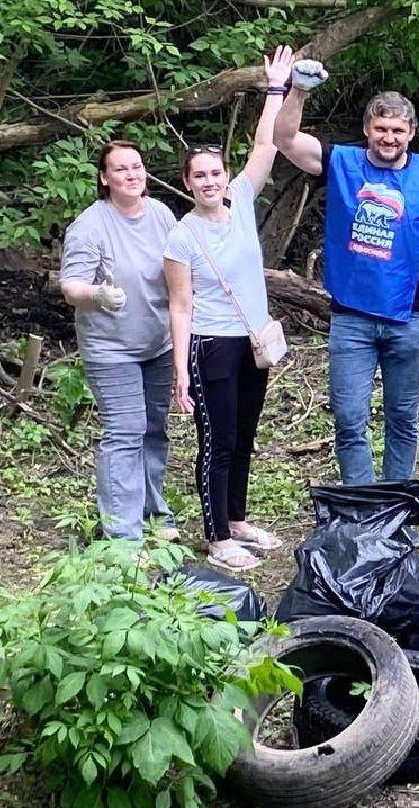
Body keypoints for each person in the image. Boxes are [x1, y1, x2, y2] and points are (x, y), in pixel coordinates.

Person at [272, 78, 419, 486]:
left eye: (398, 130)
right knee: (349, 417)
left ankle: (395, 500)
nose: (389, 137)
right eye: (381, 128)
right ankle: (361, 503)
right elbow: (284, 139)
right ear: (366, 129)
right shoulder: (342, 163)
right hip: (351, 316)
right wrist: (298, 91)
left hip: (408, 317)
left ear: (411, 133)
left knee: (403, 417)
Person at [164, 46, 306, 573]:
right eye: (199, 176)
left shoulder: (242, 200)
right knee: (217, 441)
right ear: (187, 183)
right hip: (212, 346)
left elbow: (265, 144)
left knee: (244, 434)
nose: (209, 182)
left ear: (226, 176)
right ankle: (217, 535)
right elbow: (180, 306)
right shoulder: (182, 236)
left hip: (253, 343)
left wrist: (276, 89)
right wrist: (181, 369)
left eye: (215, 173)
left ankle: (238, 518)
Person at [59, 141, 179, 543]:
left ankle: (153, 513)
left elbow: (181, 269)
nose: (131, 175)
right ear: (104, 178)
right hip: (111, 350)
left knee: (154, 430)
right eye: (121, 169)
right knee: (126, 431)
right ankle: (123, 534)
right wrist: (97, 294)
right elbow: (71, 287)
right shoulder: (90, 225)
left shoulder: (161, 214)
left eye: (137, 166)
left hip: (159, 343)